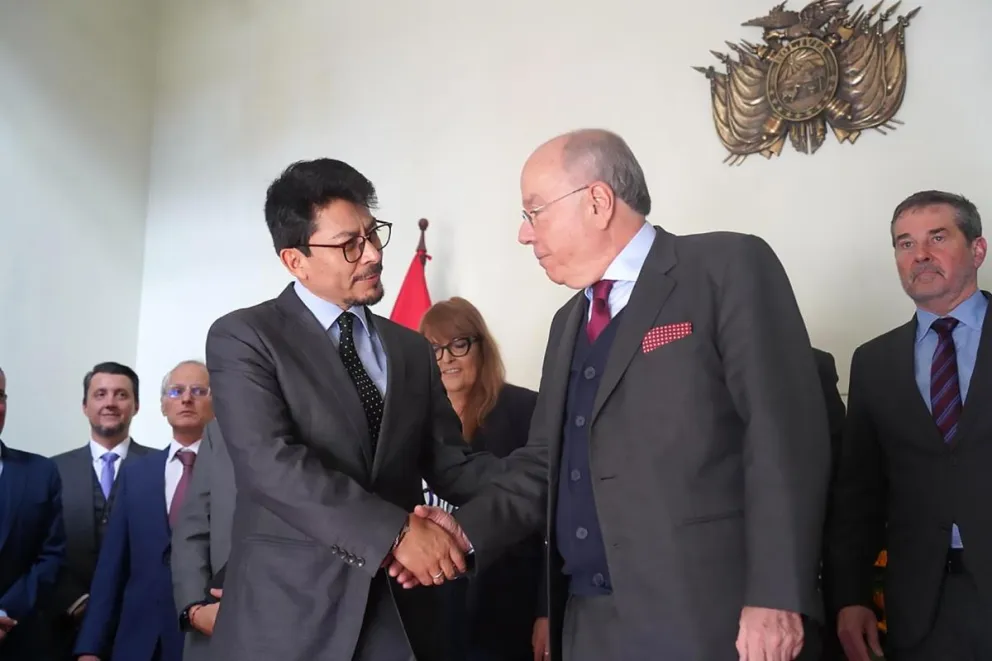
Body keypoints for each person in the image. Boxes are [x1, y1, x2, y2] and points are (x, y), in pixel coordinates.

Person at [408, 129, 831, 661]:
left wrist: (777, 596)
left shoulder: (725, 267)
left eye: (534, 211)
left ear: (597, 201)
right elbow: (544, 467)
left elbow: (783, 439)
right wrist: (463, 531)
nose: (523, 233)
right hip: (588, 625)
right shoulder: (567, 323)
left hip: (714, 619)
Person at [203, 158, 509, 661]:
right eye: (349, 244)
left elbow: (452, 464)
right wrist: (396, 533)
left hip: (398, 612)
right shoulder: (246, 337)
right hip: (289, 615)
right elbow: (270, 464)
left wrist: (547, 479)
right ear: (295, 260)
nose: (372, 254)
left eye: (373, 234)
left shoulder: (410, 349)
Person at [826, 190, 992, 660]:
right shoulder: (874, 361)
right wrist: (851, 596)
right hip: (923, 607)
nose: (920, 255)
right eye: (905, 243)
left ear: (977, 250)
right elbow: (858, 494)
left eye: (937, 238)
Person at [420, 297, 541, 661]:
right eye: (434, 349)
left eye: (458, 344)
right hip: (429, 606)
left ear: (481, 347)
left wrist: (547, 608)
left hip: (506, 604)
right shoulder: (409, 420)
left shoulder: (527, 410)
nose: (446, 358)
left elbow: (550, 517)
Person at [74, 361, 214, 661]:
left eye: (198, 391)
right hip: (138, 640)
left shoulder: (235, 474)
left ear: (218, 403)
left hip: (202, 638)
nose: (186, 399)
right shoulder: (137, 473)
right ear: (163, 405)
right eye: (176, 391)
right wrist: (90, 647)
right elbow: (112, 566)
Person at [50, 362, 153, 659]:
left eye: (121, 394)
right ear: (85, 406)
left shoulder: (161, 468)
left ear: (136, 406)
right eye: (100, 394)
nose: (110, 402)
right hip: (62, 626)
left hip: (138, 627)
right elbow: (40, 548)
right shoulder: (52, 470)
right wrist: (75, 602)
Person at [0, 366, 67, 661]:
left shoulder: (41, 472)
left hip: (18, 639)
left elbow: (51, 555)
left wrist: (4, 613)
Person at [171, 419, 236, 661]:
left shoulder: (331, 416)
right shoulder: (218, 431)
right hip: (215, 622)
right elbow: (193, 529)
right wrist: (196, 611)